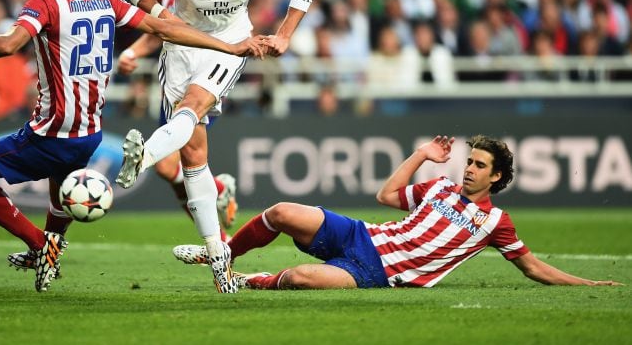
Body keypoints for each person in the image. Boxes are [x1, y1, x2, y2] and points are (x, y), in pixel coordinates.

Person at [0, 0, 266, 293]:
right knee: (58, 193)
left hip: (50, 133)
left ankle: (41, 245)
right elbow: (163, 27)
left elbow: (8, 44)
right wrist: (228, 46)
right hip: (89, 134)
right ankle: (49, 248)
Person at [115, 0, 316, 293]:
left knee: (192, 105)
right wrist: (161, 17)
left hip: (230, 45)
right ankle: (219, 256)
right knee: (193, 156)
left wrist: (285, 34)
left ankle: (145, 156)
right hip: (181, 46)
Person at [172, 135, 622, 290]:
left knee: (297, 279)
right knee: (281, 211)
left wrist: (586, 283)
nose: (468, 169)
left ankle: (245, 282)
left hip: (377, 273)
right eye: (469, 161)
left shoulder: (495, 224)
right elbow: (387, 196)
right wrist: (421, 155)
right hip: (360, 235)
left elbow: (533, 267)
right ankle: (225, 257)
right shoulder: (441, 187)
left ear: (497, 178)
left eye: (479, 165)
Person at [117, 0, 238, 241]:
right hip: (174, 78)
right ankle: (219, 198)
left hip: (204, 78)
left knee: (172, 163)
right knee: (176, 171)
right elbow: (163, 29)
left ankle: (219, 242)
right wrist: (133, 51)